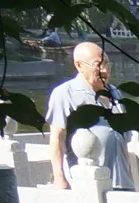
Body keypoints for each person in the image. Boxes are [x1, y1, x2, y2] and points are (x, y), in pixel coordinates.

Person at [46, 41, 133, 192]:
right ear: (79, 65)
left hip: (123, 181)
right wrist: (59, 178)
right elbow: (57, 138)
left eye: (107, 64)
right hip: (90, 185)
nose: (104, 70)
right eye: (98, 65)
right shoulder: (65, 94)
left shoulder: (114, 92)